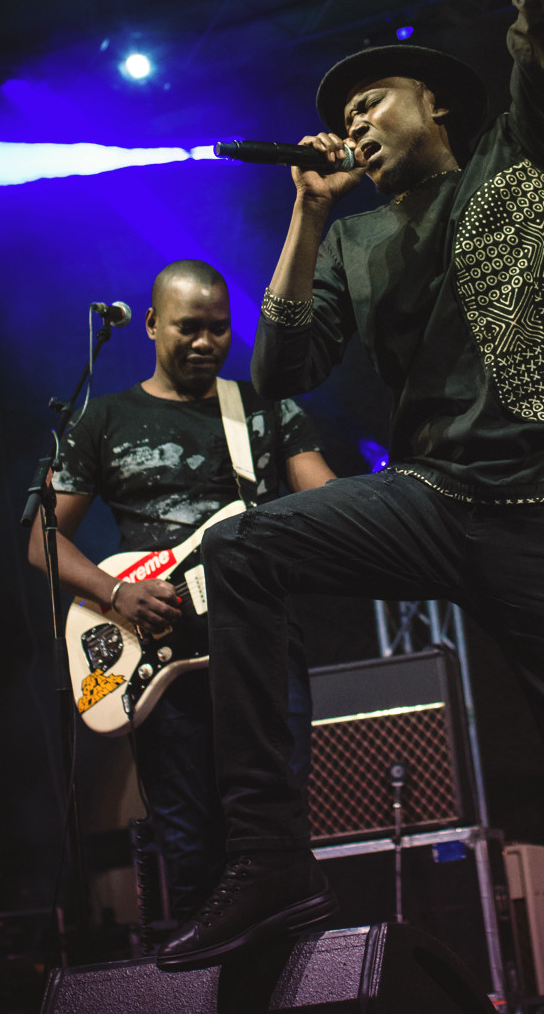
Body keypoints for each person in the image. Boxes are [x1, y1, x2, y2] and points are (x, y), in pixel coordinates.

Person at [158, 0, 544, 1013]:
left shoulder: (520, 157)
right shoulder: (360, 233)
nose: (357, 121)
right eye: (348, 110)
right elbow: (275, 379)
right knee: (245, 553)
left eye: (374, 98)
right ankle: (272, 858)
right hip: (437, 500)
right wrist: (308, 219)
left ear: (435, 103)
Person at [27, 258, 336, 920]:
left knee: (279, 828)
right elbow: (41, 540)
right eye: (188, 328)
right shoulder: (102, 420)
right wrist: (115, 593)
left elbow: (329, 507)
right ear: (150, 325)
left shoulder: (262, 409)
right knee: (191, 842)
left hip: (261, 647)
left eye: (219, 330)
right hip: (161, 653)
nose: (204, 343)